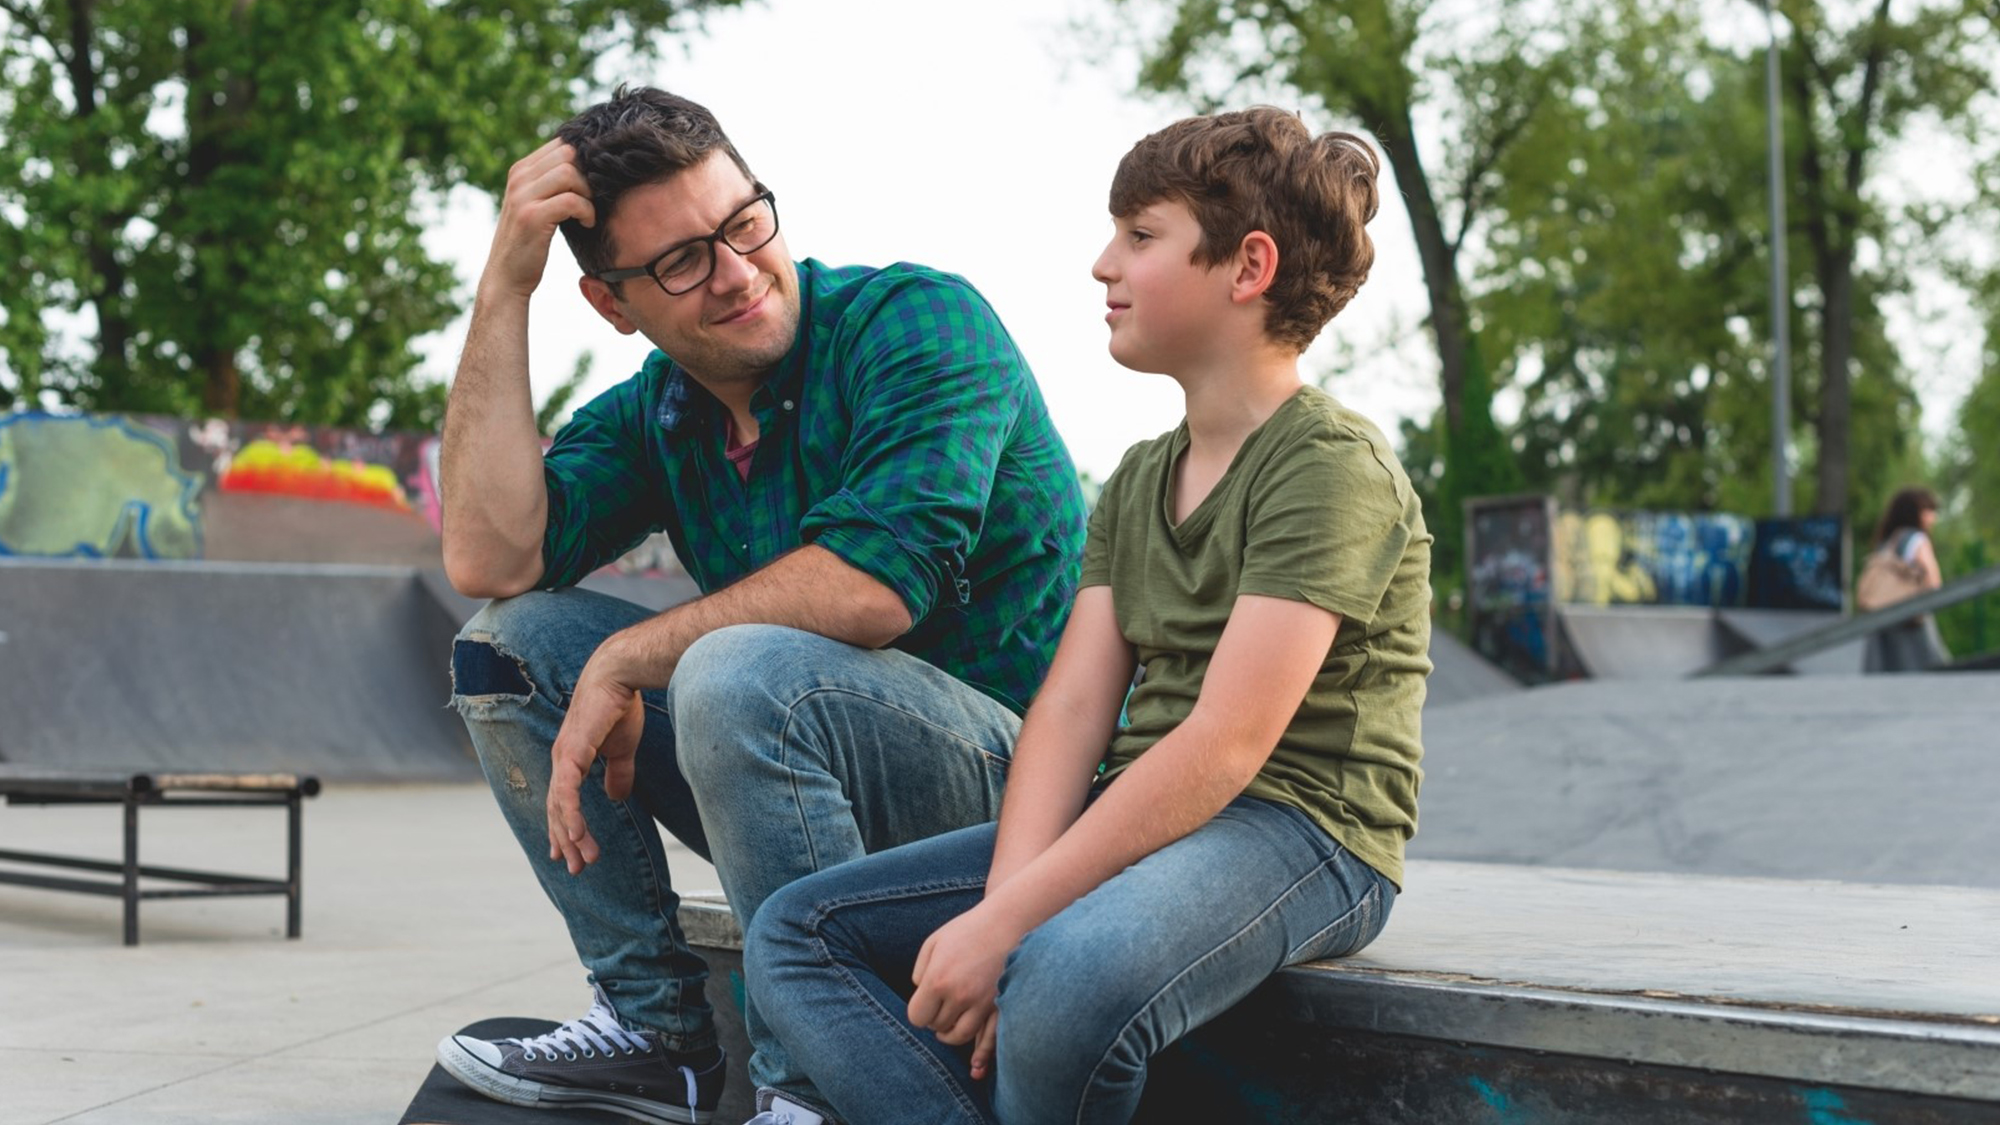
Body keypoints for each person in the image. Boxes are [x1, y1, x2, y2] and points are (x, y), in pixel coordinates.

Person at [742, 107, 1432, 1125]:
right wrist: (1000, 913)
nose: (1101, 263)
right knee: (794, 936)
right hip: (1142, 808)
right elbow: (1069, 712)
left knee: (1061, 983)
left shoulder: (1329, 468)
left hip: (1304, 830)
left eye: (1139, 237)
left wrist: (1017, 926)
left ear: (1246, 267)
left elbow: (1226, 743)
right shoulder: (1141, 476)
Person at [432, 86, 1087, 1124]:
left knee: (734, 667)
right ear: (611, 304)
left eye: (743, 224)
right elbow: (485, 553)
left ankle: (810, 1094)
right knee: (509, 647)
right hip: (806, 779)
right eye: (683, 261)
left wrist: (629, 659)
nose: (737, 275)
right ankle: (658, 1038)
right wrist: (504, 288)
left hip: (1026, 804)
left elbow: (871, 587)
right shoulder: (661, 411)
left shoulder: (914, 321)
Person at [1861, 486, 1951, 672]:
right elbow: (1934, 582)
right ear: (1916, 513)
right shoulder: (1917, 539)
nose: (1932, 518)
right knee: (1929, 675)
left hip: (1883, 620)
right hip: (1910, 620)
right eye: (1929, 511)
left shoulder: (1886, 542)